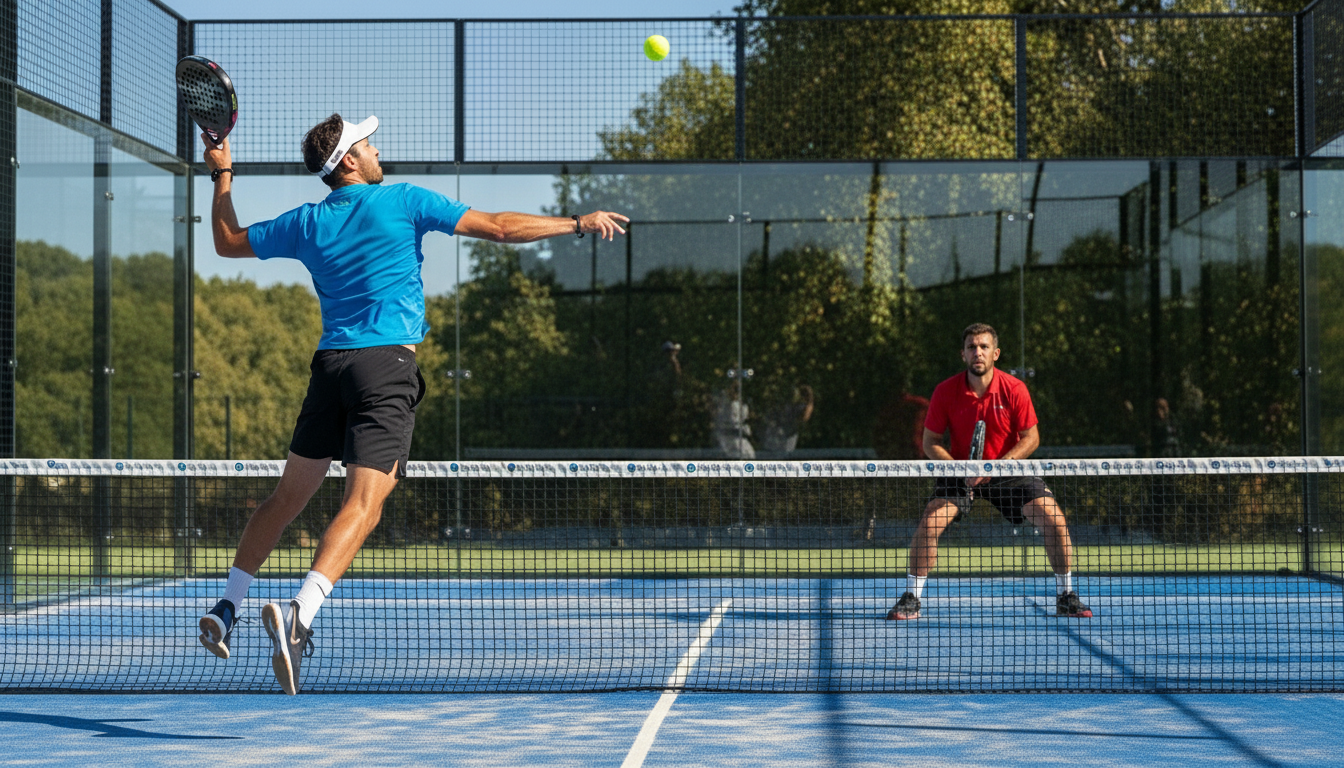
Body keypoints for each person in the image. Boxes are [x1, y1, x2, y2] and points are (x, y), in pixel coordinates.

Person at [194, 114, 628, 694]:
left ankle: (227, 606)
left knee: (285, 498)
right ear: (349, 161)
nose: (377, 151)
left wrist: (223, 175)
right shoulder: (401, 200)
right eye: (368, 144)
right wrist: (577, 222)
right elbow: (498, 228)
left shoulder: (304, 222)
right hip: (384, 369)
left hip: (329, 370)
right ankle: (302, 611)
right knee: (365, 504)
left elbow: (226, 243)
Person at [886, 323, 1092, 620]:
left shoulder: (1014, 389)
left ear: (995, 353)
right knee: (929, 524)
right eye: (971, 347)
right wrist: (962, 468)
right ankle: (912, 599)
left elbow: (1031, 438)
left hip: (1008, 471)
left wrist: (997, 465)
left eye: (983, 347)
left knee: (1055, 520)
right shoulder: (945, 391)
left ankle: (1065, 595)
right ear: (963, 354)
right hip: (960, 471)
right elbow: (930, 442)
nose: (977, 352)